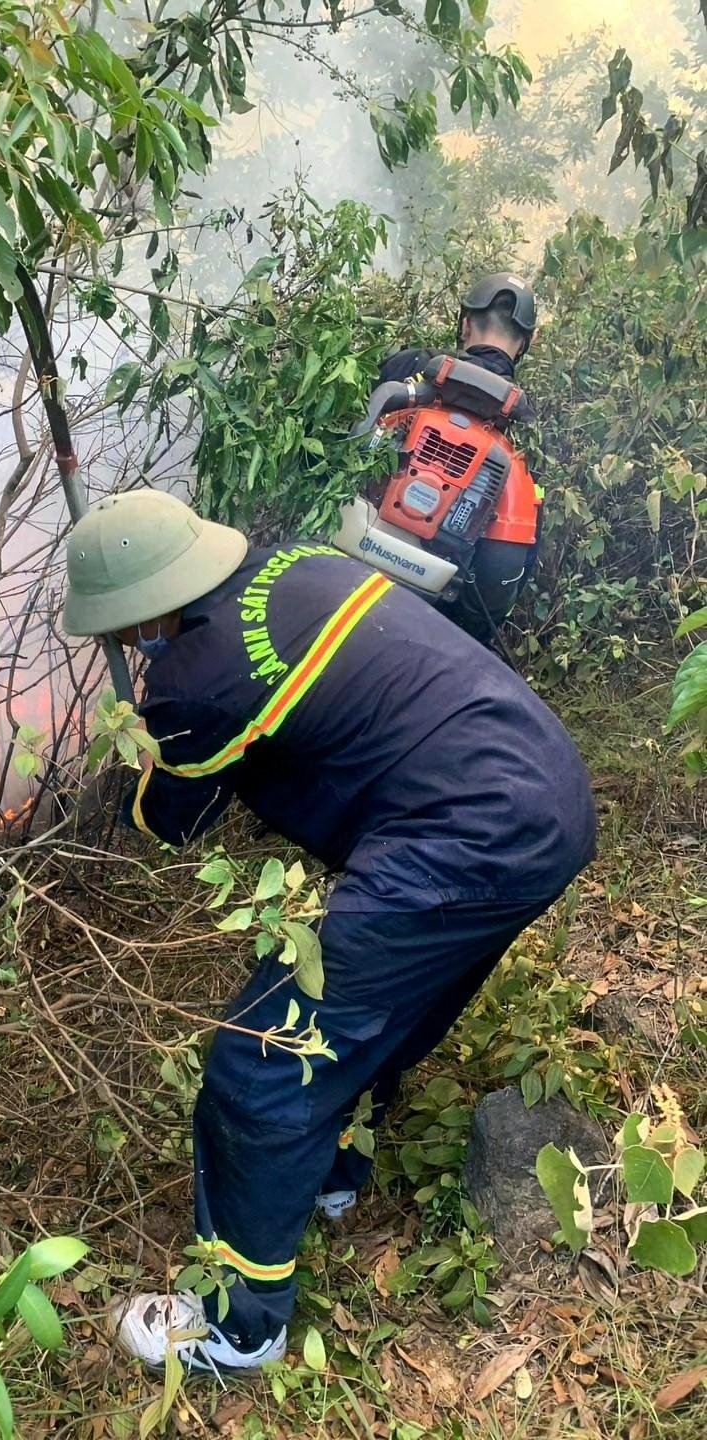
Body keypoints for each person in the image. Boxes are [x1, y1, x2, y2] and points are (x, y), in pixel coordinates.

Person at [64, 489, 596, 1374]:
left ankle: (237, 1328)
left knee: (259, 1061)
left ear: (138, 611)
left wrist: (136, 762)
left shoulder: (197, 676)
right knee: (389, 1003)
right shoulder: (301, 562)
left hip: (465, 835)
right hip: (545, 794)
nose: (122, 645)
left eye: (118, 630)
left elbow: (173, 821)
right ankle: (335, 1178)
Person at [376, 273, 542, 643]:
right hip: (431, 616)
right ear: (524, 345)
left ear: (465, 325)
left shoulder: (406, 368)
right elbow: (502, 580)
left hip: (347, 560)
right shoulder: (525, 433)